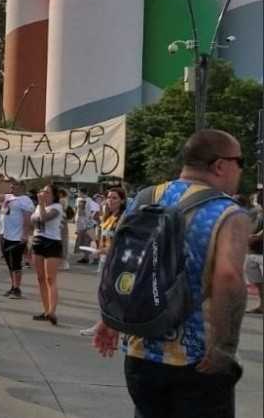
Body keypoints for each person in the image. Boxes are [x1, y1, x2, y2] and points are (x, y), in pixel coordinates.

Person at [93, 129, 248, 417]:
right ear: (221, 165)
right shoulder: (228, 212)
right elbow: (228, 277)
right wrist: (224, 347)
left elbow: (122, 259)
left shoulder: (145, 197)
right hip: (197, 359)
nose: (241, 169)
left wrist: (110, 319)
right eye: (241, 162)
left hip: (141, 351)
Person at [79, 187, 127, 337]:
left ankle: (109, 325)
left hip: (115, 259)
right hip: (103, 257)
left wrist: (108, 250)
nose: (110, 200)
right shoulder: (107, 216)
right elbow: (103, 237)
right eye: (109, 197)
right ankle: (106, 323)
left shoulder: (123, 217)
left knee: (112, 294)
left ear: (122, 200)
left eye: (114, 198)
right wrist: (97, 245)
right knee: (104, 293)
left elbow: (122, 240)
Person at [0, 175, 34, 299]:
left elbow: (27, 220)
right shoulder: (8, 197)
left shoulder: (25, 200)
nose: (12, 186)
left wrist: (25, 234)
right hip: (5, 235)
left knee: (16, 264)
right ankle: (13, 286)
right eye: (11, 184)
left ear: (22, 186)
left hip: (17, 238)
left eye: (15, 184)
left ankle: (17, 289)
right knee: (9, 264)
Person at [30, 183, 64, 326]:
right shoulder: (38, 206)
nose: (43, 193)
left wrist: (42, 203)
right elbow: (35, 223)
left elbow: (43, 218)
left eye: (47, 192)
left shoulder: (57, 207)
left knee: (51, 278)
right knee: (40, 278)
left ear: (54, 195)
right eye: (42, 191)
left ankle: (52, 311)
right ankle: (45, 310)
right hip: (38, 241)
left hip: (52, 243)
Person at [244, 190, 263, 314]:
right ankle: (262, 305)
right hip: (253, 251)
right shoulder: (254, 212)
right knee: (257, 279)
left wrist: (256, 237)